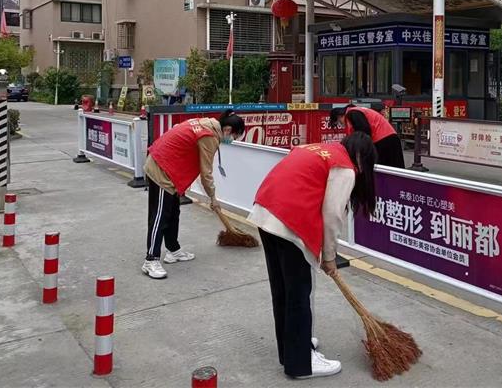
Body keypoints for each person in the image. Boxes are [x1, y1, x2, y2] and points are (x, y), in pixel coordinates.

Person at [248, 133, 377, 379]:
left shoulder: (319, 150)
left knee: (283, 291)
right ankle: (300, 365)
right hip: (289, 223)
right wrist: (329, 256)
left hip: (265, 212)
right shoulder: (344, 168)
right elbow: (332, 216)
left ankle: (292, 348)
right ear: (362, 159)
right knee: (298, 294)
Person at [141, 109, 245, 279]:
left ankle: (173, 250)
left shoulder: (206, 124)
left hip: (171, 170)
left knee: (173, 212)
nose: (232, 139)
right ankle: (150, 259)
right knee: (160, 215)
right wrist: (213, 198)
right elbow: (206, 173)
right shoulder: (209, 136)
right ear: (227, 130)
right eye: (235, 136)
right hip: (161, 168)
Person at [329, 104, 405, 168]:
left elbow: (364, 133)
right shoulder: (355, 112)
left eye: (339, 122)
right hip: (388, 138)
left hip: (384, 140)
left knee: (385, 170)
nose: (341, 125)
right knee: (393, 169)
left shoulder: (352, 113)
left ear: (340, 116)